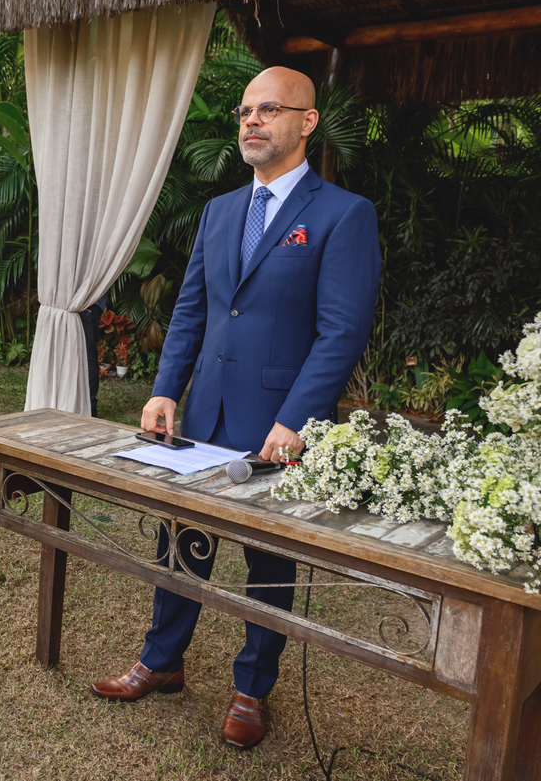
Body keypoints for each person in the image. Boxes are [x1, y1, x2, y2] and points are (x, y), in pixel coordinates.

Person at [90, 68, 381, 749]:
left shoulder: (344, 213)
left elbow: (342, 331)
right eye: (245, 110)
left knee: (268, 560)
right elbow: (192, 309)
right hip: (206, 412)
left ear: (306, 122)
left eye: (269, 109)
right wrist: (165, 389)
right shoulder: (220, 211)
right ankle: (161, 662)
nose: (252, 120)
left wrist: (298, 419)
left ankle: (252, 688)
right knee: (181, 539)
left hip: (280, 423)